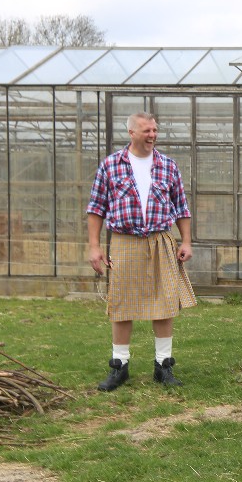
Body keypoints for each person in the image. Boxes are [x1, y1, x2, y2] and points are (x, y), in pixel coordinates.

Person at [86, 111, 196, 391]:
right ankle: (119, 366)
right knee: (121, 305)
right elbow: (96, 208)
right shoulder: (111, 165)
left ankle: (163, 366)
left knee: (165, 303)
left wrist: (186, 241)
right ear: (131, 132)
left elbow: (181, 207)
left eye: (155, 130)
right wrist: (95, 246)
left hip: (161, 240)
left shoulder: (168, 166)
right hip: (125, 242)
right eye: (147, 130)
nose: (152, 135)